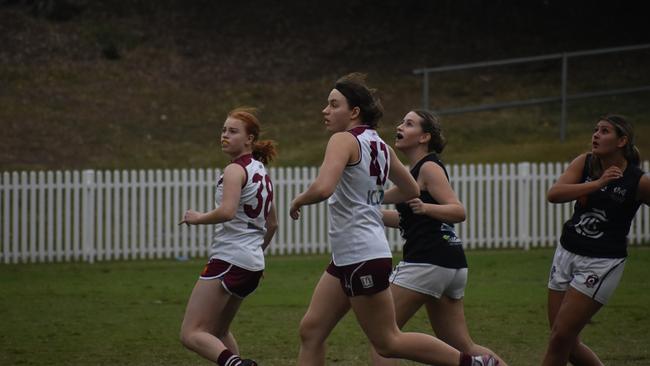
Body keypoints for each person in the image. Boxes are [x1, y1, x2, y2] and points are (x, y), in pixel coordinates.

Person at [289, 73, 499, 366]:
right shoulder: (380, 145)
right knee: (311, 330)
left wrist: (299, 199)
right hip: (347, 256)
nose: (326, 111)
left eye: (333, 105)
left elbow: (324, 188)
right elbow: (411, 190)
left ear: (354, 112)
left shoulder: (342, 140)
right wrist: (371, 198)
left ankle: (472, 364)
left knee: (388, 342)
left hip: (362, 254)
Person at [371, 110, 507, 366]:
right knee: (462, 345)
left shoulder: (429, 167)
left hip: (427, 262)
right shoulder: (413, 173)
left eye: (409, 124)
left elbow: (458, 210)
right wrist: (369, 213)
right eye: (401, 121)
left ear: (424, 137)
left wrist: (427, 208)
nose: (399, 126)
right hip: (449, 264)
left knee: (383, 338)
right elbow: (406, 219)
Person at [542, 114, 650, 366]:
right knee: (566, 343)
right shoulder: (585, 163)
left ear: (622, 141)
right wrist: (598, 183)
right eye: (595, 130)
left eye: (604, 131)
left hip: (601, 262)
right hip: (566, 252)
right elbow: (554, 194)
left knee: (560, 338)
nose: (596, 135)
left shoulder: (637, 179)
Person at [178, 107, 278, 366]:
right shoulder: (261, 171)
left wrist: (196, 217)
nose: (224, 135)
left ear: (249, 139)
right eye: (223, 130)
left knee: (191, 333)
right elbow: (273, 224)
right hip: (251, 264)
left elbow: (227, 211)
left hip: (230, 259)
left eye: (233, 131)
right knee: (219, 332)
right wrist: (255, 254)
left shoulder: (235, 170)